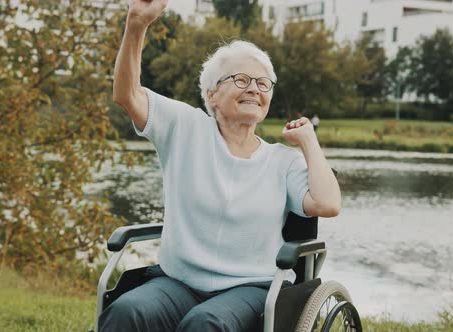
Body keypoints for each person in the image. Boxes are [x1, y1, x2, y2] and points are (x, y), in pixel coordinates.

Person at [100, 1, 341, 331]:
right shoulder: (185, 128)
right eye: (241, 79)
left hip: (251, 287)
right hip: (177, 283)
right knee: (128, 311)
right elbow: (127, 94)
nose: (254, 88)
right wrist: (137, 24)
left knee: (206, 323)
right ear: (212, 94)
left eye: (263, 83)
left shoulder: (282, 161)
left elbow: (327, 204)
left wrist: (309, 142)